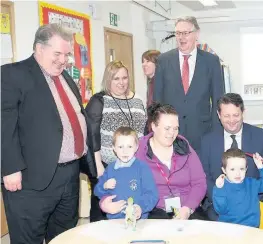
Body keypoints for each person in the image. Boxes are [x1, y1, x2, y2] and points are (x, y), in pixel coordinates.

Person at [1, 23, 96, 244]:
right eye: (58, 54)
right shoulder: (12, 74)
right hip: (30, 179)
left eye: (66, 55)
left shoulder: (63, 76)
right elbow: (3, 125)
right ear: (39, 49)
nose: (63, 60)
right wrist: (9, 168)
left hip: (69, 175)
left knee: (63, 242)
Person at [99, 103, 208, 220]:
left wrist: (188, 208)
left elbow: (199, 183)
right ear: (154, 127)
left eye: (175, 128)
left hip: (186, 209)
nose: (172, 133)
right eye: (167, 128)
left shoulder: (184, 147)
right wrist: (104, 202)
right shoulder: (137, 149)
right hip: (153, 210)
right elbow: (116, 179)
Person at [200, 93, 263, 230]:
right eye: (226, 116)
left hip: (254, 205)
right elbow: (205, 177)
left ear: (243, 113)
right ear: (218, 115)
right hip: (220, 205)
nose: (231, 120)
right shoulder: (207, 141)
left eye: (236, 115)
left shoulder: (262, 137)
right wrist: (223, 199)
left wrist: (246, 203)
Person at [86, 60, 148, 222]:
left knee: (132, 204)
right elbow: (92, 134)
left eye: (124, 78)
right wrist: (99, 166)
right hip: (109, 165)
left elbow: (144, 130)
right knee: (105, 207)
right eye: (116, 79)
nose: (121, 83)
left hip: (135, 163)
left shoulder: (138, 99)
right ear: (108, 80)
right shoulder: (100, 101)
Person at [153, 16, 224, 153]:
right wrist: (158, 128)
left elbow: (217, 100)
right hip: (170, 134)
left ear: (197, 34)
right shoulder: (163, 60)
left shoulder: (211, 61)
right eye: (178, 33)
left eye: (186, 33)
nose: (181, 37)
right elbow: (157, 99)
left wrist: (216, 132)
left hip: (202, 133)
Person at [94, 127, 158, 220]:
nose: (125, 151)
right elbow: (97, 192)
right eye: (120, 147)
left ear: (136, 147)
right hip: (114, 220)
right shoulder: (110, 169)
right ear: (114, 148)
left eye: (129, 147)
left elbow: (152, 194)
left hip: (138, 220)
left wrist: (140, 207)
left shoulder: (142, 168)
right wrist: (104, 186)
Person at [213, 149, 263, 228]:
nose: (237, 173)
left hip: (251, 230)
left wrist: (260, 166)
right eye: (232, 169)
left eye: (241, 169)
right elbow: (220, 209)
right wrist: (219, 190)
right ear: (224, 170)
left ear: (246, 169)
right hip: (228, 230)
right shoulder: (221, 186)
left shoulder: (251, 183)